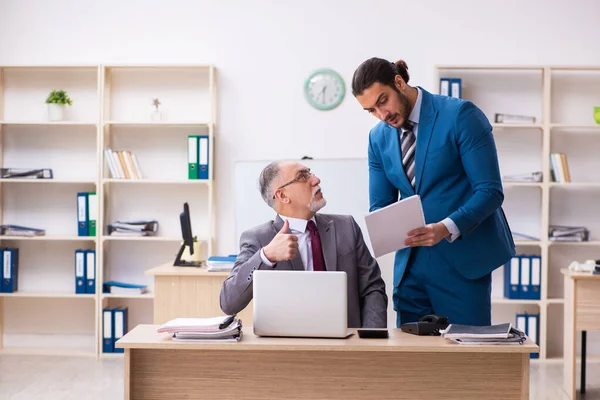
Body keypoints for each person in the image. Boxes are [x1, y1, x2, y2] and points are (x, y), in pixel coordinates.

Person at [351, 57, 515, 327]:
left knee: (465, 358)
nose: (382, 115)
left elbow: (490, 191)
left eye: (383, 101)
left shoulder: (461, 115)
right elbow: (381, 204)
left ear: (399, 82)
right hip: (410, 267)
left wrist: (445, 227)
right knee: (414, 362)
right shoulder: (378, 138)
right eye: (371, 110)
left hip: (461, 260)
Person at [219, 160, 388, 328]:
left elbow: (372, 288)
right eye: (302, 177)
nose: (316, 180)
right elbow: (229, 303)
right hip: (289, 349)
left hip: (348, 344)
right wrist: (266, 256)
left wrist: (371, 338)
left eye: (310, 173)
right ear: (283, 196)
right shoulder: (258, 239)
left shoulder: (346, 227)